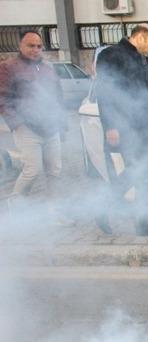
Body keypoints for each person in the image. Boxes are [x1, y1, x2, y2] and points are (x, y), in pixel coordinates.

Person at [95, 23, 148, 236]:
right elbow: (105, 92)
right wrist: (110, 126)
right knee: (136, 172)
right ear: (139, 37)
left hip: (146, 127)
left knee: (146, 176)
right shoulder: (112, 55)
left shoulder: (142, 58)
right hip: (125, 126)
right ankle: (102, 206)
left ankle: (144, 224)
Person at [0, 30, 64, 211]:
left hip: (51, 127)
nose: (35, 49)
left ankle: (54, 210)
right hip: (26, 128)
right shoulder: (8, 67)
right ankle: (15, 203)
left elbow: (58, 97)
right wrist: (17, 124)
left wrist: (61, 124)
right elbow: (3, 98)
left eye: (38, 46)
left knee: (54, 171)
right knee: (32, 170)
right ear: (20, 45)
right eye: (30, 45)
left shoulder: (47, 68)